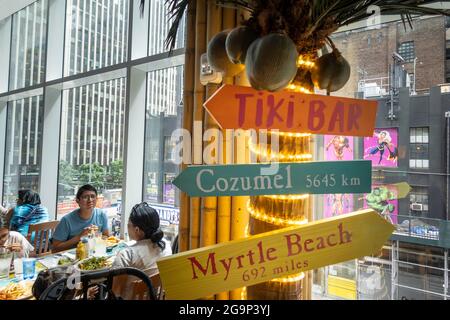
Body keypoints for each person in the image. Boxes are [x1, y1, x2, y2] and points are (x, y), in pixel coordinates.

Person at [111, 202, 171, 299]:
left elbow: (115, 292)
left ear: (137, 230)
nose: (127, 228)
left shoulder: (126, 255)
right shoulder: (165, 246)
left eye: (128, 225)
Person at [52, 184, 109, 253]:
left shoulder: (101, 215)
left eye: (93, 196)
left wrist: (96, 236)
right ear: (77, 200)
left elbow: (106, 236)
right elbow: (55, 248)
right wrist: (79, 237)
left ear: (96, 199)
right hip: (71, 257)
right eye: (85, 197)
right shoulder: (66, 220)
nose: (90, 200)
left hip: (94, 254)